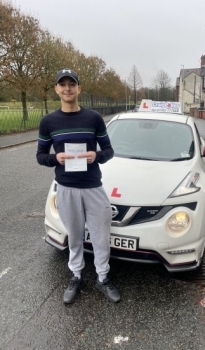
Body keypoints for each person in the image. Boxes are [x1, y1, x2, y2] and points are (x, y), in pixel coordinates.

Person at [36, 68, 120, 304]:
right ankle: (76, 276)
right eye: (62, 84)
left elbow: (109, 151)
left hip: (93, 187)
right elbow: (41, 156)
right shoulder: (48, 122)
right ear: (56, 89)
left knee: (101, 235)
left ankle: (103, 277)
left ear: (79, 88)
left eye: (71, 84)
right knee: (74, 236)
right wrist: (56, 159)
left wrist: (97, 156)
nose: (67, 88)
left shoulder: (93, 118)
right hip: (66, 187)